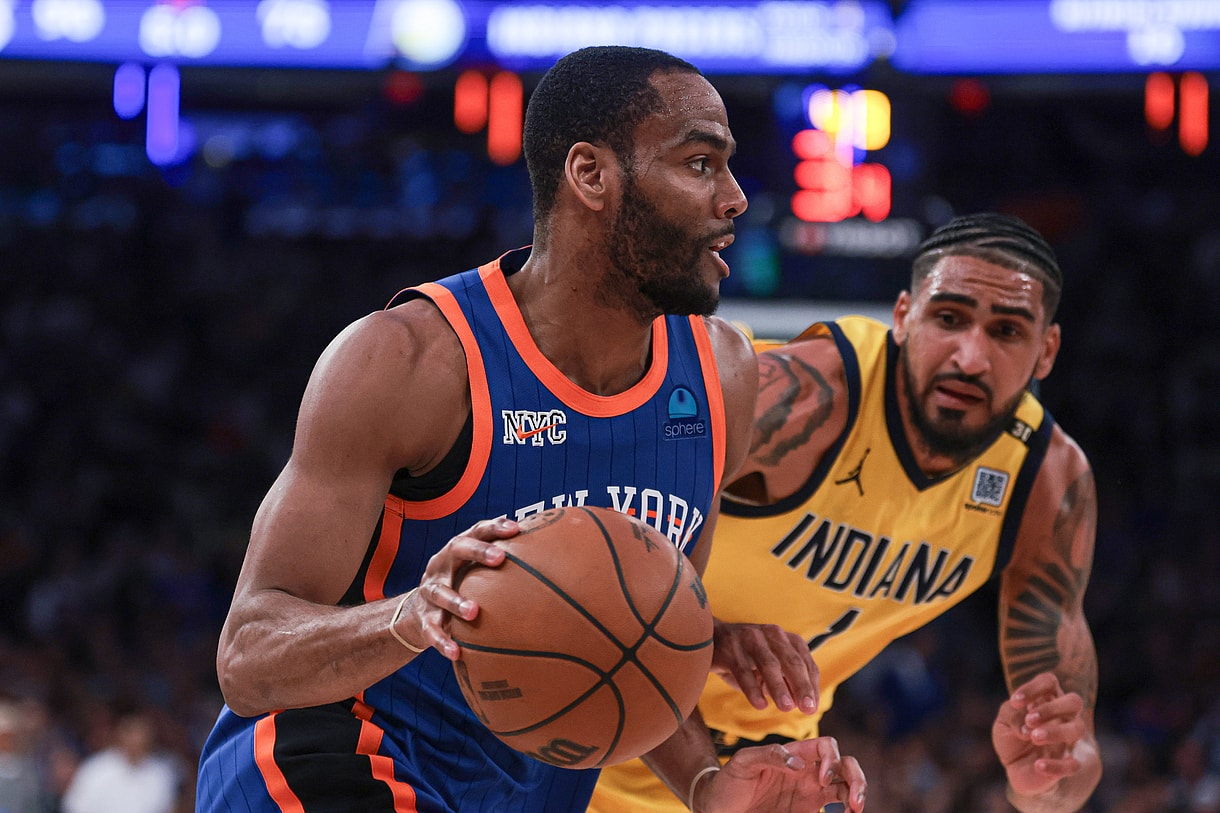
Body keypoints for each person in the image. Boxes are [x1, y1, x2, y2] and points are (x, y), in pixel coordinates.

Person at [195, 45, 866, 813]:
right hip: (334, 765)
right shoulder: (411, 358)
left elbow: (626, 640)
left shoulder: (722, 376)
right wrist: (410, 616)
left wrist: (708, 783)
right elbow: (248, 655)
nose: (736, 197)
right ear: (591, 176)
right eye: (700, 164)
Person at [592, 212, 1102, 812]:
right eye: (949, 318)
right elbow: (580, 559)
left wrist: (1041, 777)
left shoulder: (1046, 485)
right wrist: (703, 640)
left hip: (762, 778)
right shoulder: (797, 403)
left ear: (1046, 351)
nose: (970, 357)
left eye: (1008, 332)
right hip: (596, 728)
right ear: (905, 315)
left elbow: (1067, 781)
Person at [61, 707, 182, 813]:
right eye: (130, 732)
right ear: (120, 734)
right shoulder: (95, 771)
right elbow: (75, 808)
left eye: (140, 733)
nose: (136, 740)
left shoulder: (161, 773)